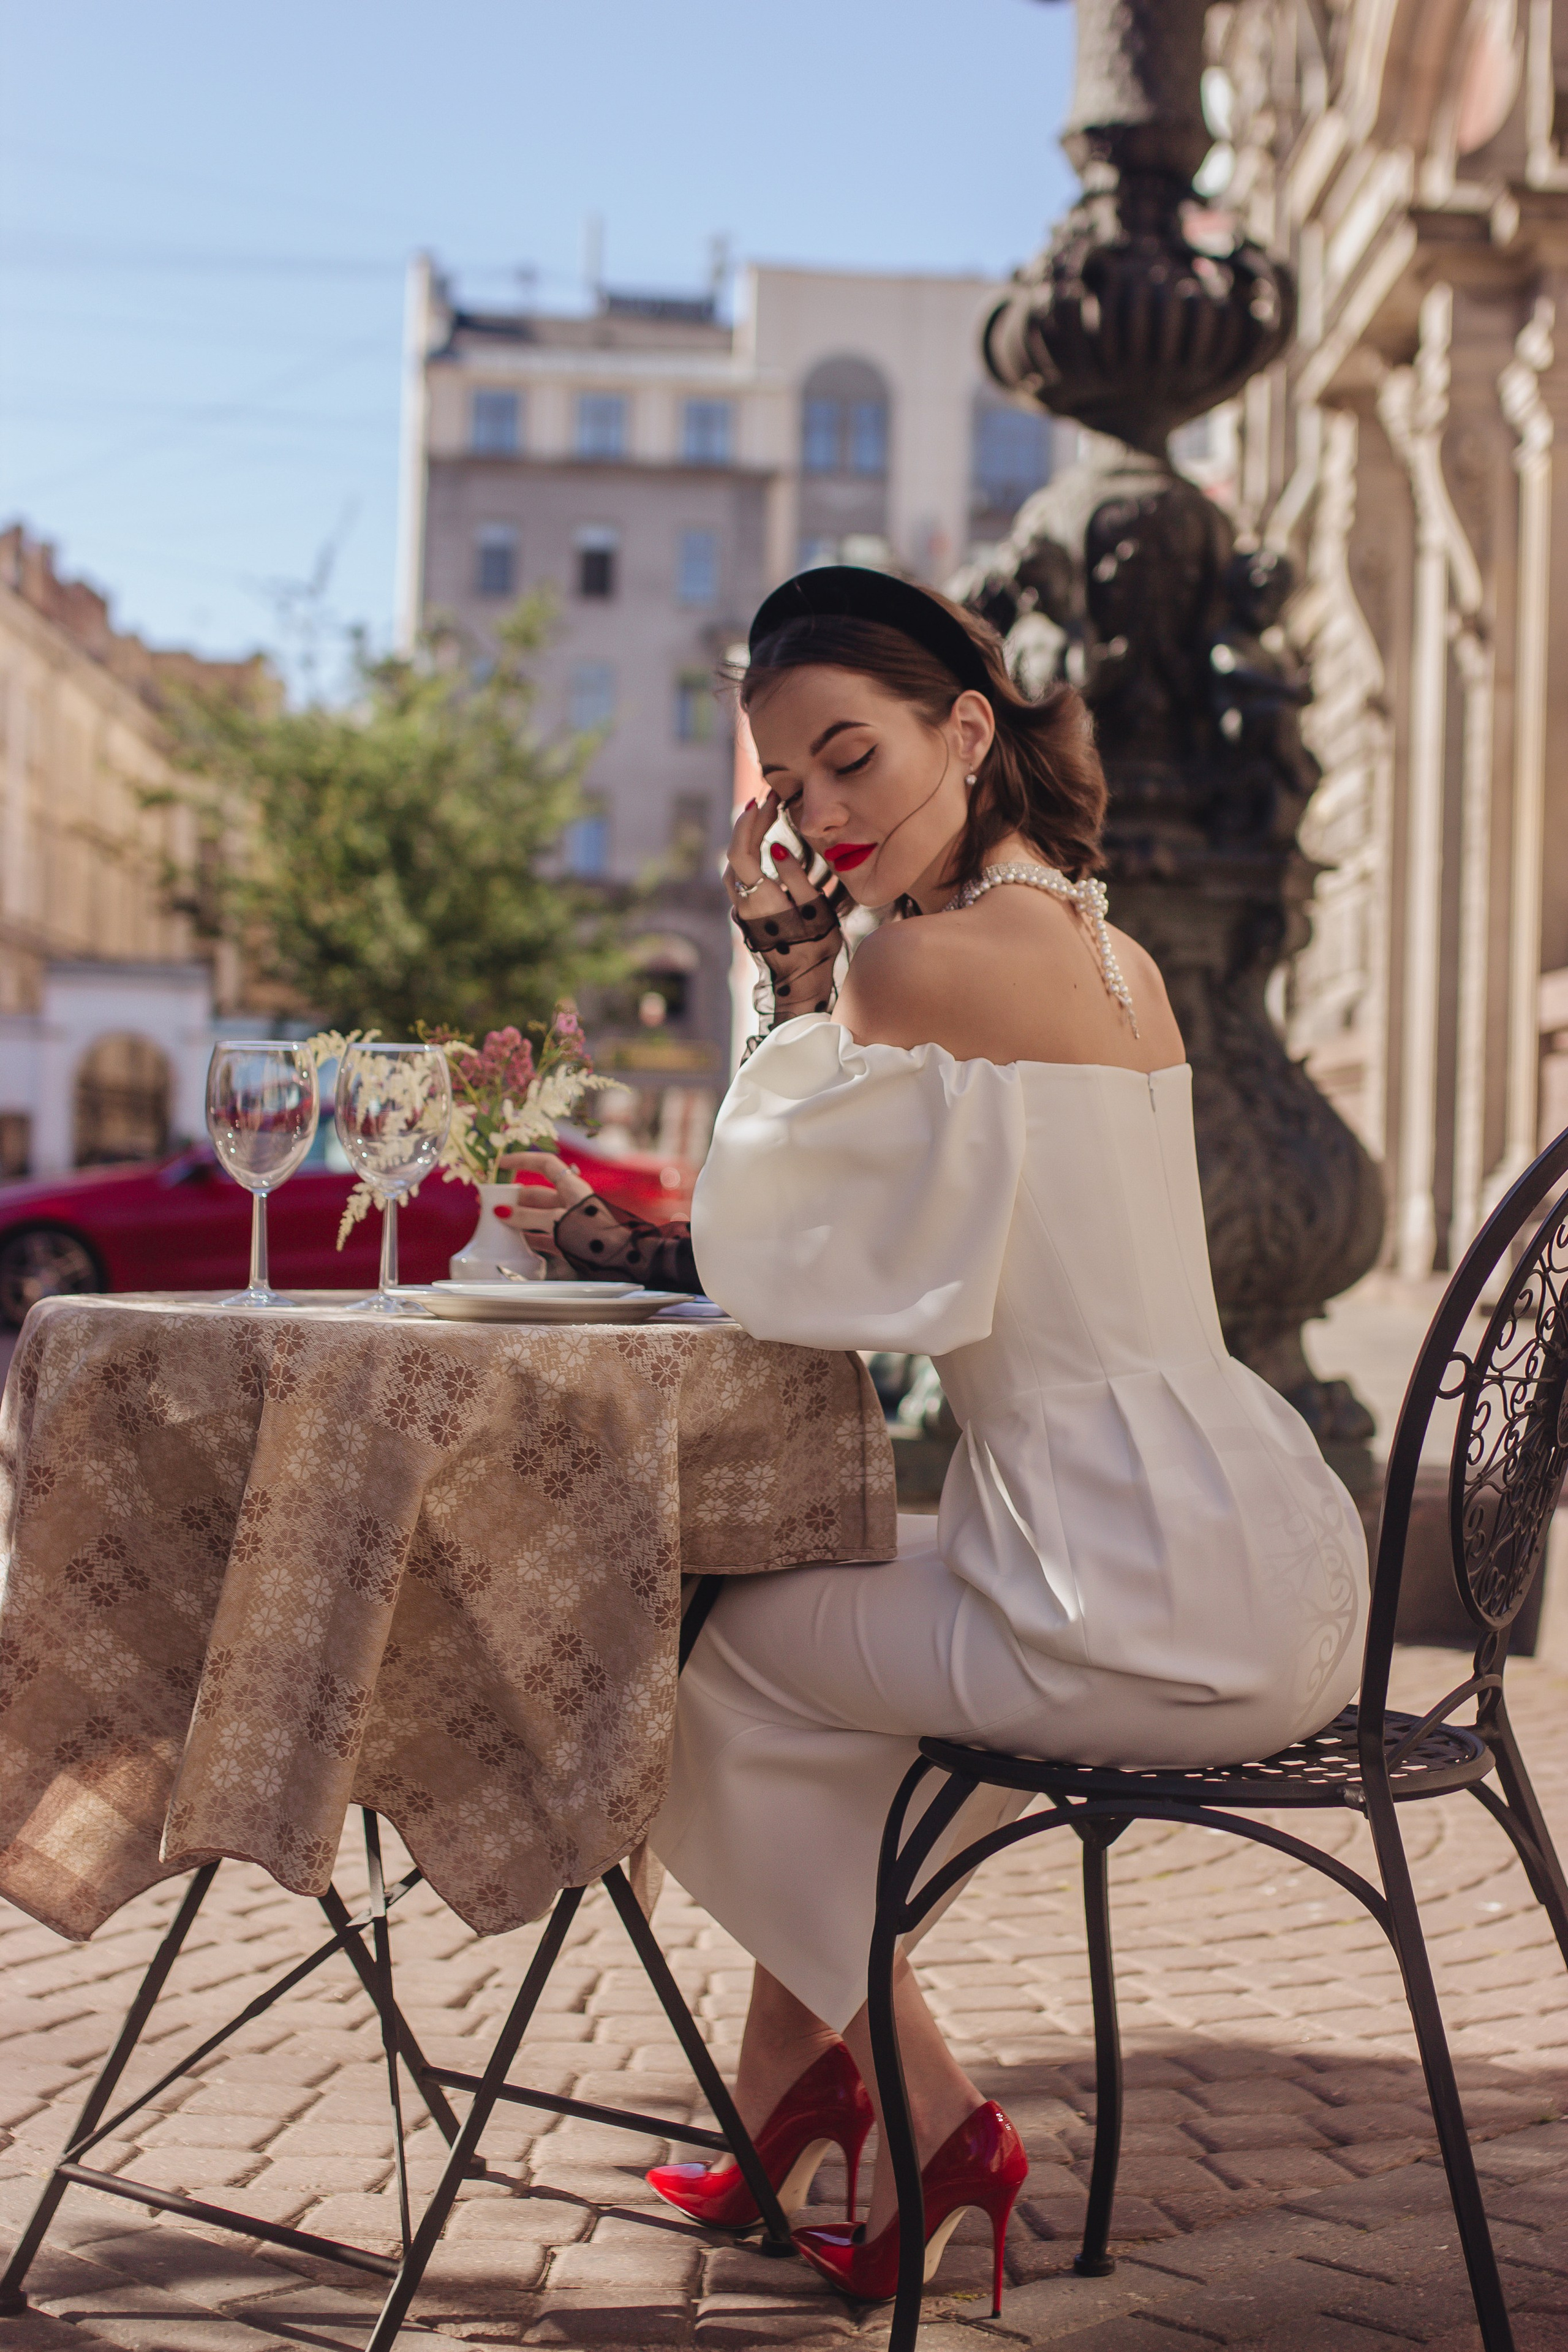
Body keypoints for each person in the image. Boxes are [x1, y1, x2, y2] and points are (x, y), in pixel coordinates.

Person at [508, 566, 1368, 2313]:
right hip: (1271, 1562)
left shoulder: (912, 959)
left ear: (967, 732)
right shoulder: (1110, 950)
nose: (822, 820)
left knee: (715, 1678)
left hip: (1121, 1597)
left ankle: (930, 2115)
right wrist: (825, 975)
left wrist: (785, 959)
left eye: (852, 763)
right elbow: (899, 1225)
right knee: (838, 1656)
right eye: (789, 788)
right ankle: (785, 2095)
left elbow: (781, 1244)